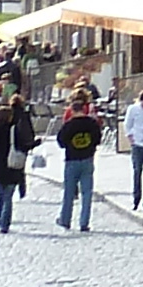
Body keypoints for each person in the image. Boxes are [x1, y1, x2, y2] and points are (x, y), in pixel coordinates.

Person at [55, 89, 107, 231]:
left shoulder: (69, 125)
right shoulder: (92, 123)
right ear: (84, 109)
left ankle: (65, 220)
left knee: (69, 193)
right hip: (88, 159)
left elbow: (60, 142)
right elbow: (97, 140)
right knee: (87, 192)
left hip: (71, 160)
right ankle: (84, 222)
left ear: (72, 109)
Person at [0, 89, 37, 233]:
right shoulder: (14, 130)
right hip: (12, 165)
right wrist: (34, 144)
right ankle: (5, 222)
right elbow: (23, 145)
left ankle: (0, 218)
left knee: (2, 195)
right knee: (8, 195)